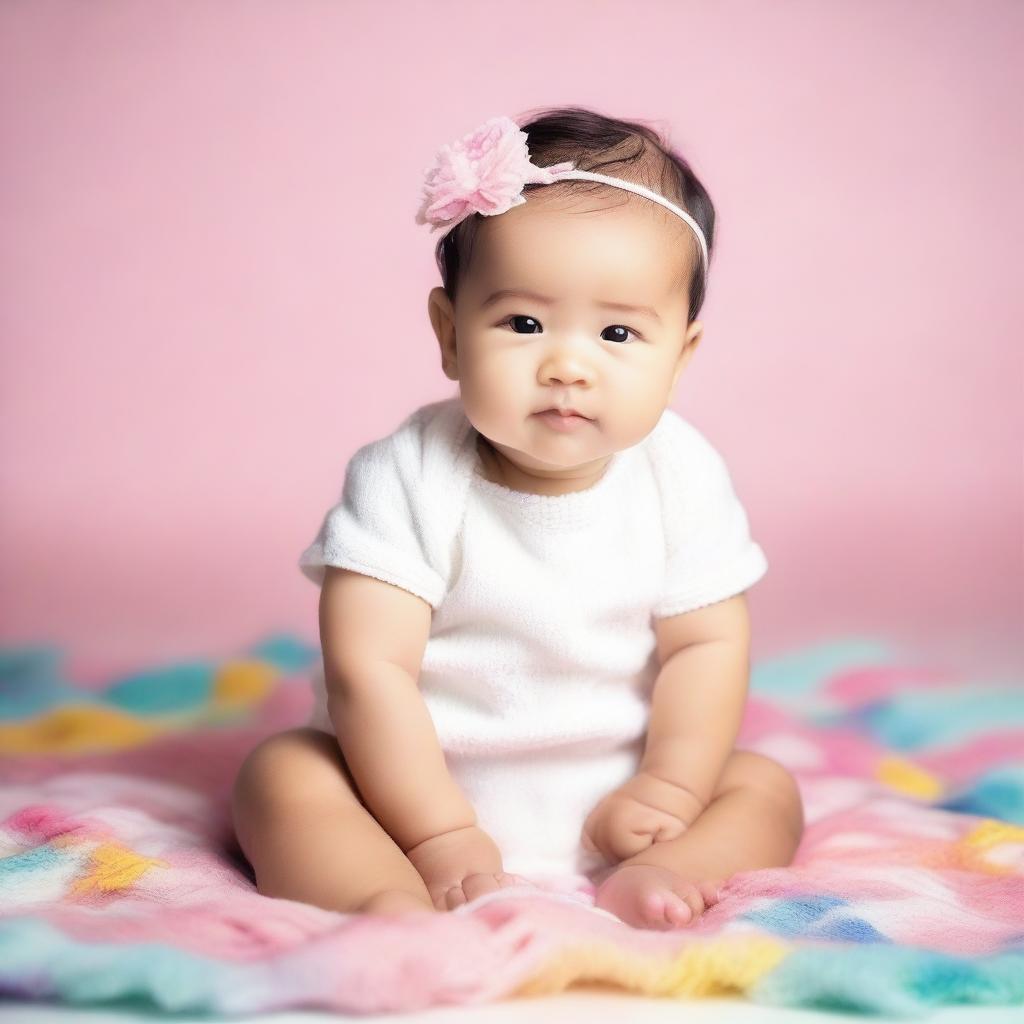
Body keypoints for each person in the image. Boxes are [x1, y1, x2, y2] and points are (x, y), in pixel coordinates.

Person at [232, 107, 804, 931]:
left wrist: (671, 789)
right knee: (282, 774)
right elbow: (369, 671)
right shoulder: (408, 475)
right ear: (450, 334)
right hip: (403, 798)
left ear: (680, 357)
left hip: (623, 796)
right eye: (524, 324)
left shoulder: (683, 475)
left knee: (763, 786)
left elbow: (707, 645)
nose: (568, 365)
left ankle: (667, 870)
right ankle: (381, 900)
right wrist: (439, 833)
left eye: (617, 332)